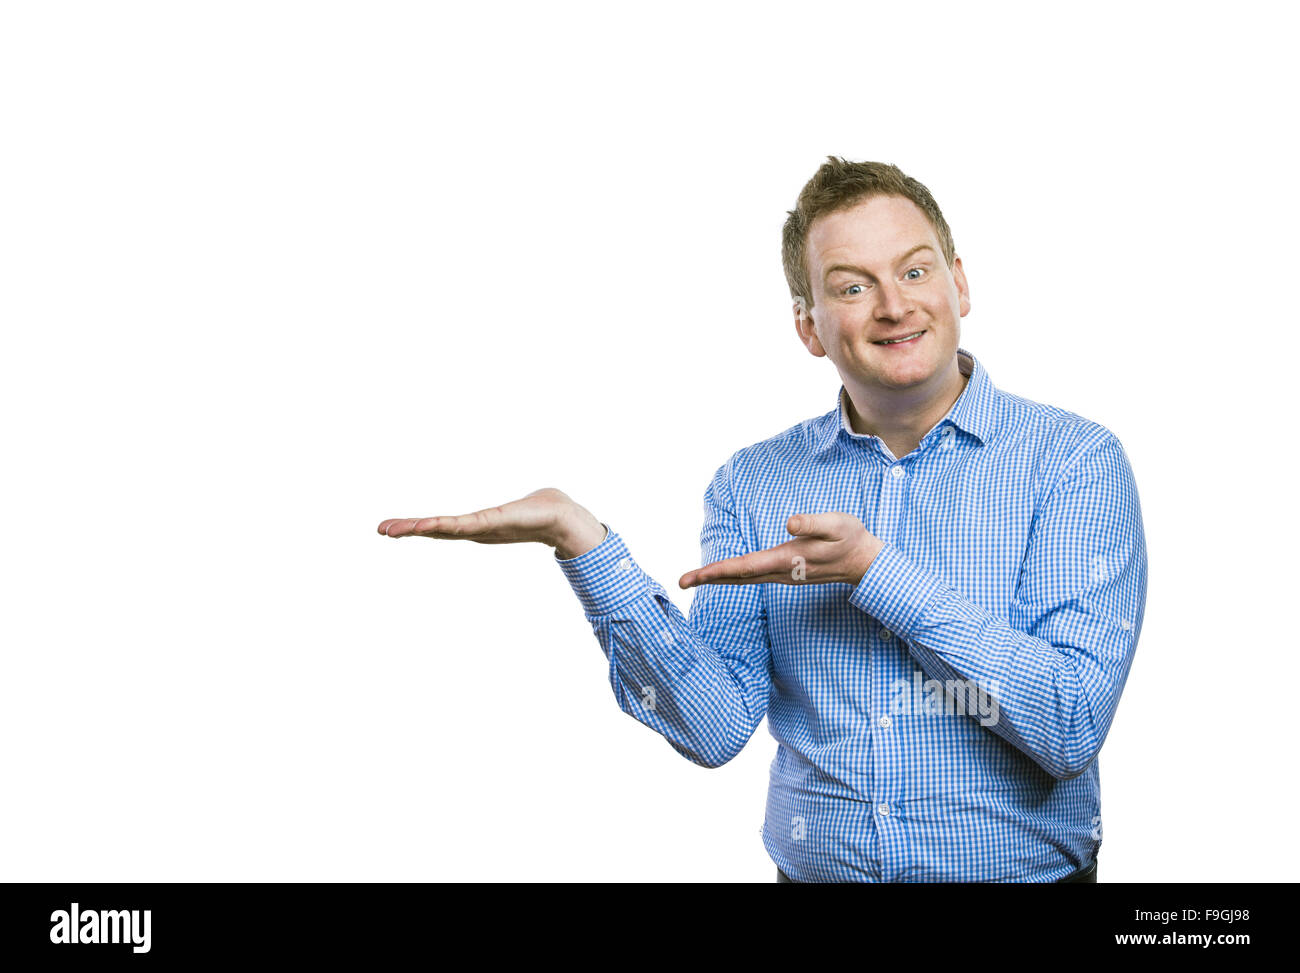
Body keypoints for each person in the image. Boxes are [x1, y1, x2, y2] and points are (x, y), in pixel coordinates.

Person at [378, 157, 1148, 883]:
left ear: (959, 284)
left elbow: (1069, 723)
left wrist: (876, 572)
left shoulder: (1073, 461)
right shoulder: (752, 483)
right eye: (851, 286)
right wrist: (582, 544)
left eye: (915, 270)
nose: (894, 303)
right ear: (809, 326)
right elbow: (713, 727)